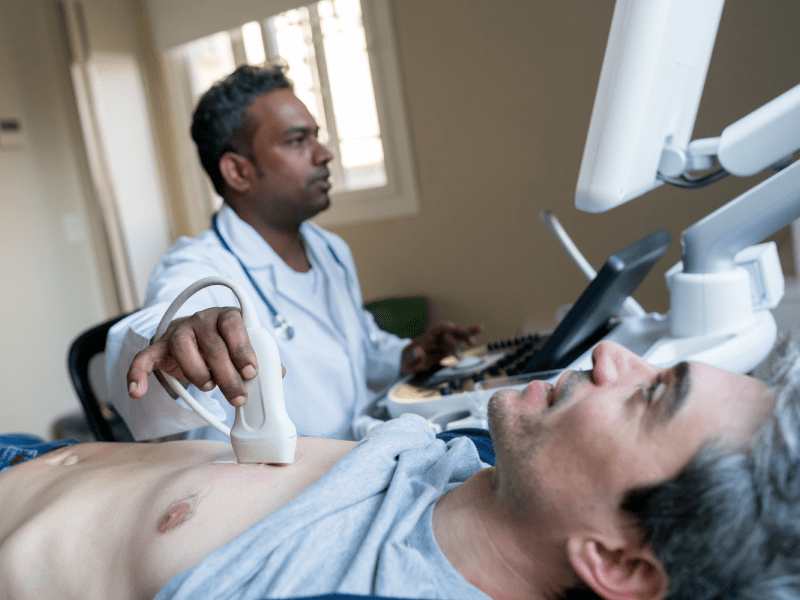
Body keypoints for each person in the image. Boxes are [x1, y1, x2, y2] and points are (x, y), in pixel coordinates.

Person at [4, 340, 799, 600]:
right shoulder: (476, 468)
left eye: (652, 395)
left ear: (620, 561)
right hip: (31, 456)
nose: (610, 355)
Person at [104, 64, 481, 442]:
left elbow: (358, 349)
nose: (325, 154)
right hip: (272, 485)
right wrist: (174, 334)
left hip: (362, 451)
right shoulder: (201, 267)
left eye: (316, 137)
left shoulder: (329, 249)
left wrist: (406, 356)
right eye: (297, 141)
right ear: (237, 172)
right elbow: (159, 325)